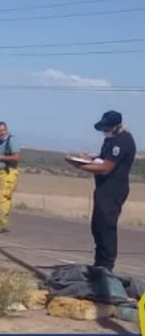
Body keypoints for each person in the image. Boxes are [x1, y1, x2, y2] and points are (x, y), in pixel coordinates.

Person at [66, 110, 136, 272]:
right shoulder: (111, 141)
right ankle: (99, 262)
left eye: (107, 128)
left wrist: (78, 165)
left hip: (114, 189)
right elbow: (103, 158)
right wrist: (88, 158)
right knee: (97, 225)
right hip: (103, 188)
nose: (105, 132)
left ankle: (106, 265)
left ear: (117, 127)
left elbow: (105, 168)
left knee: (106, 226)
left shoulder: (121, 142)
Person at [0, 121, 21, 233]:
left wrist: (0, 158)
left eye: (2, 130)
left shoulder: (12, 140)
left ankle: (0, 223)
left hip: (8, 172)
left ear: (6, 129)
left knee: (3, 198)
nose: (0, 133)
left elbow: (16, 157)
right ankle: (0, 221)